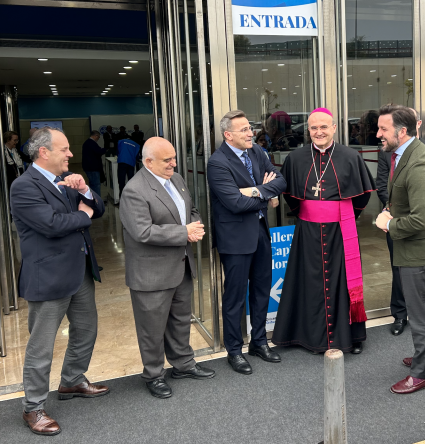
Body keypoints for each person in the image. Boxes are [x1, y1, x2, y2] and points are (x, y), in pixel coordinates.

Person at [10, 127, 108, 436]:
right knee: (41, 347)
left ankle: (72, 381)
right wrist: (83, 212)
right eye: (64, 149)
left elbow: (99, 209)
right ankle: (33, 408)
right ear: (43, 152)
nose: (70, 154)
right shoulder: (24, 186)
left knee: (86, 330)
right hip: (49, 278)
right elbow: (52, 225)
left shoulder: (66, 181)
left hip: (78, 272)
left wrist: (85, 191)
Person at [272, 108, 374, 354]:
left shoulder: (351, 156)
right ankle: (305, 335)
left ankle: (350, 336)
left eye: (324, 127)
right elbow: (290, 197)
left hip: (341, 231)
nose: (319, 132)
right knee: (308, 281)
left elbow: (362, 196)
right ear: (308, 131)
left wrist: (338, 215)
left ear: (334, 128)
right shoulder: (295, 158)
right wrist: (312, 215)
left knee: (343, 281)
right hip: (307, 231)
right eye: (314, 128)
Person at [119, 137, 214, 399]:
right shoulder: (134, 190)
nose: (174, 163)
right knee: (152, 329)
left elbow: (191, 210)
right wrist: (184, 233)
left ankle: (183, 364)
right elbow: (142, 231)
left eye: (174, 157)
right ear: (148, 162)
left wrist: (194, 226)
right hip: (151, 274)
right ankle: (153, 374)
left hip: (181, 266)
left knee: (181, 320)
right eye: (167, 160)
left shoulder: (177, 179)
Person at [374, 104, 425, 394]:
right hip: (414, 249)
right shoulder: (403, 155)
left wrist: (388, 225)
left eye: (383, 129)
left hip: (421, 251)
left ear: (402, 131)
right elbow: (403, 199)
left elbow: (420, 220)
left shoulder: (418, 164)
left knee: (419, 315)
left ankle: (422, 373)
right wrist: (390, 211)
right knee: (423, 310)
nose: (378, 134)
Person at [207, 110, 286, 374]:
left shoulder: (257, 153)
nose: (250, 133)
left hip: (261, 233)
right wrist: (266, 195)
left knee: (262, 291)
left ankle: (259, 342)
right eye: (243, 130)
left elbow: (280, 181)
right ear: (228, 134)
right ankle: (233, 350)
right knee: (235, 298)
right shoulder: (217, 162)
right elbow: (234, 202)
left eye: (249, 128)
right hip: (235, 240)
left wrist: (255, 191)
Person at [81, 131, 106, 197]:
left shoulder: (87, 142)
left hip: (88, 167)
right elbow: (98, 151)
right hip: (93, 168)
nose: (98, 139)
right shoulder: (91, 143)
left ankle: (93, 198)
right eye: (98, 137)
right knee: (96, 185)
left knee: (92, 184)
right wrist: (105, 150)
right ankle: (97, 200)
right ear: (95, 136)